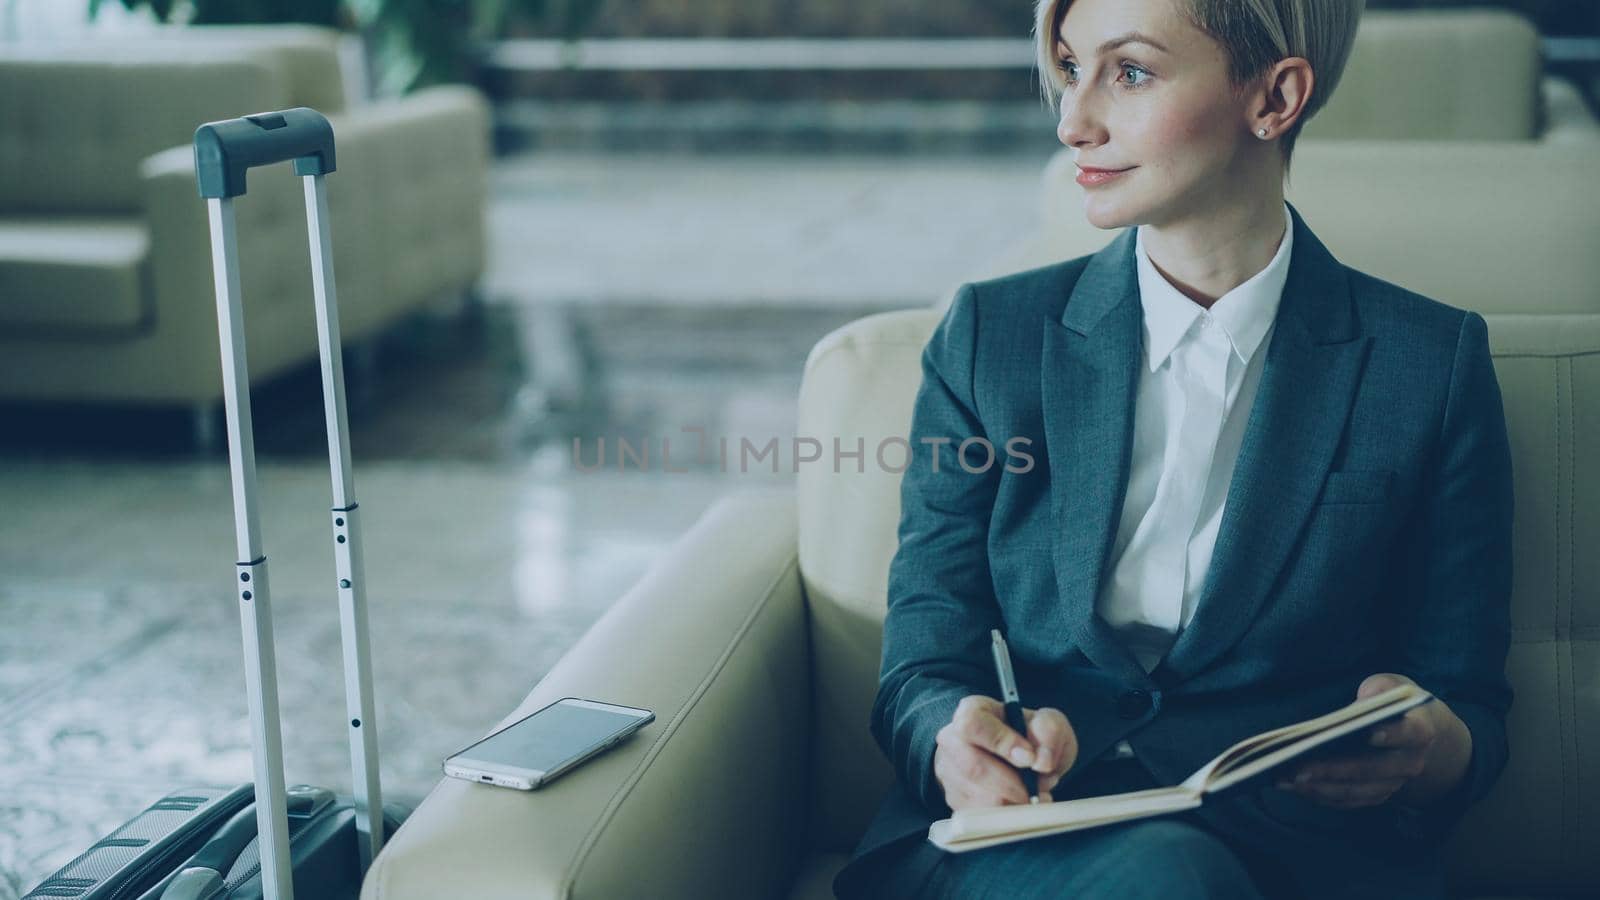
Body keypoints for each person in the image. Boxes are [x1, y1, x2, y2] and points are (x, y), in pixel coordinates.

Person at [832, 0, 1514, 897]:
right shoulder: (989, 340)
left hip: (1300, 848)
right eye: (1072, 70)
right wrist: (953, 739)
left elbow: (1467, 699)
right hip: (1033, 838)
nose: (1074, 121)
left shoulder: (1430, 365)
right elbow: (926, 655)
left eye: (1132, 72)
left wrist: (1430, 747)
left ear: (1274, 98)